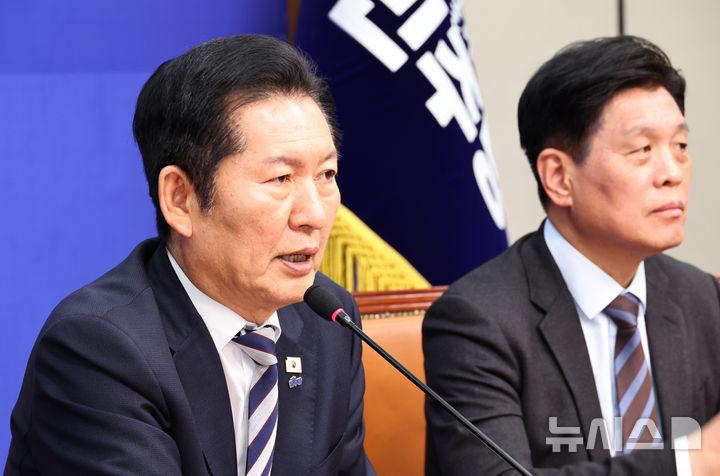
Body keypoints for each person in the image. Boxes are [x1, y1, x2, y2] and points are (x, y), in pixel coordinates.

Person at [6, 34, 374, 476]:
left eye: (326, 174)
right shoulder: (98, 349)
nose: (314, 214)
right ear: (180, 199)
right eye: (280, 179)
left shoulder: (328, 322)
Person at [423, 35, 720, 475]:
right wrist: (690, 463)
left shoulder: (701, 298)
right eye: (643, 150)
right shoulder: (477, 321)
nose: (673, 173)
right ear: (559, 177)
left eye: (680, 147)